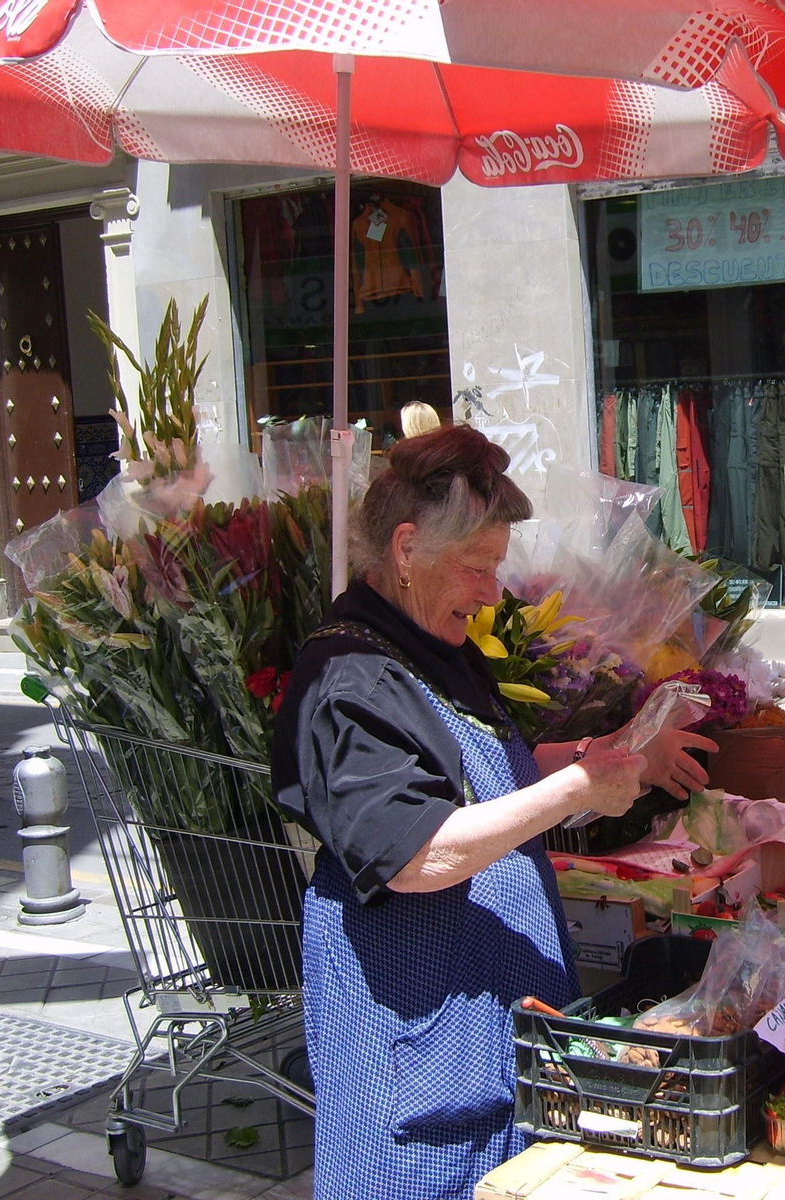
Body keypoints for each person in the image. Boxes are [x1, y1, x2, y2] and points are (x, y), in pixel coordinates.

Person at [272, 424, 717, 1200]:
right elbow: (415, 855)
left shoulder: (433, 644)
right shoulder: (348, 681)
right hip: (415, 1034)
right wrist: (577, 793)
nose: (491, 591)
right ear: (406, 550)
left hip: (487, 1020)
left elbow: (484, 778)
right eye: (477, 567)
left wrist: (605, 753)